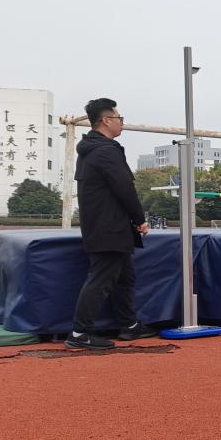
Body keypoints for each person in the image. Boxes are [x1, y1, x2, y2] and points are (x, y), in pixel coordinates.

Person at [67, 98, 156, 350]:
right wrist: (139, 219)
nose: (121, 123)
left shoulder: (90, 149)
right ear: (106, 120)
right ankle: (79, 333)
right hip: (109, 227)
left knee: (124, 277)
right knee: (102, 279)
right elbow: (124, 188)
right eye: (119, 119)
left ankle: (128, 325)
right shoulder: (106, 150)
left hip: (103, 225)